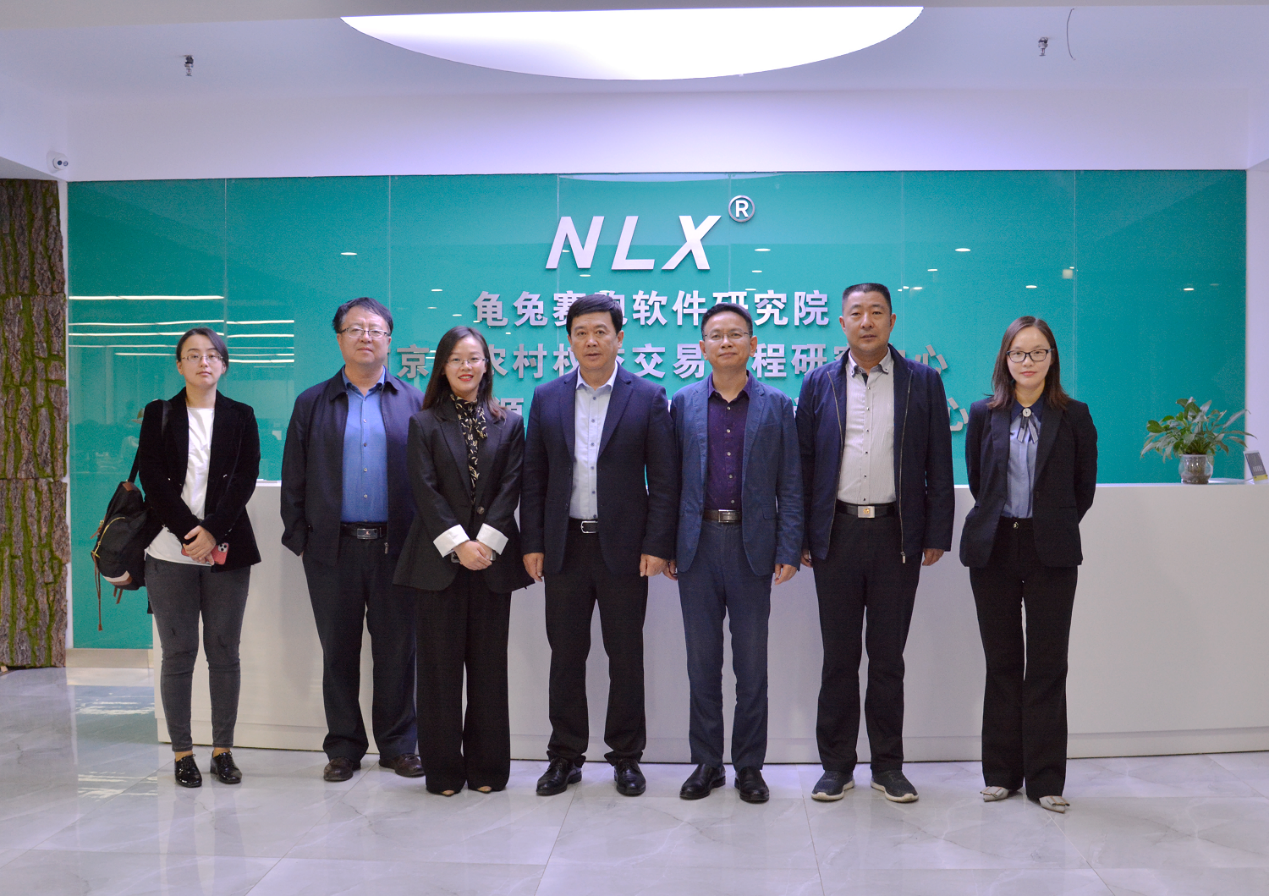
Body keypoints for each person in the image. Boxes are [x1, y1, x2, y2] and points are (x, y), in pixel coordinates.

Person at [796, 282, 954, 803]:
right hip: (836, 534)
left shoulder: (922, 382)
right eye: (857, 313)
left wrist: (936, 533)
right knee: (838, 659)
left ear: (892, 321)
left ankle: (888, 766)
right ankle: (836, 766)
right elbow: (803, 464)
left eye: (877, 312)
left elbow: (938, 461)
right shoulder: (818, 382)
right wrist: (802, 535)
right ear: (842, 322)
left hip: (896, 535)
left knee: (888, 659)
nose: (867, 321)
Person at [521, 293, 679, 797]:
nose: (591, 341)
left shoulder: (648, 397)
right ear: (569, 340)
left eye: (600, 332)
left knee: (625, 656)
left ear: (619, 338)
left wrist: (657, 543)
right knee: (566, 655)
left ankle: (626, 758)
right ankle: (564, 756)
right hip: (564, 546)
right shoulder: (547, 396)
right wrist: (533, 541)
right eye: (581, 333)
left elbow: (665, 480)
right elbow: (534, 476)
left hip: (625, 551)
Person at [281, 297, 425, 782]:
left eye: (375, 329)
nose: (366, 336)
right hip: (332, 550)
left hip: (396, 549)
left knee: (398, 651)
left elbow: (430, 478)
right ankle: (343, 747)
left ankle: (399, 745)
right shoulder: (312, 402)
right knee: (338, 651)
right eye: (355, 328)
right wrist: (302, 538)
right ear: (339, 338)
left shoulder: (414, 401)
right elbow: (294, 476)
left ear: (389, 340)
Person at [665, 302, 802, 804]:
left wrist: (789, 547)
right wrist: (667, 546)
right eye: (716, 335)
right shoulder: (682, 403)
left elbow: (791, 483)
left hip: (752, 548)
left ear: (753, 345)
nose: (726, 342)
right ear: (702, 347)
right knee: (702, 665)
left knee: (751, 667)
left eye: (736, 334)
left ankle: (748, 766)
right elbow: (668, 482)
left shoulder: (776, 405)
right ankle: (707, 763)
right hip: (697, 546)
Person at [960, 316, 1097, 814]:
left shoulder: (1074, 415)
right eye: (1018, 352)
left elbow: (1083, 488)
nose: (1028, 361)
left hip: (1051, 551)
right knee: (1001, 664)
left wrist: (1050, 523)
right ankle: (1001, 774)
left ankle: (1045, 779)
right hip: (994, 548)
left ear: (1052, 358)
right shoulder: (984, 413)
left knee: (1047, 665)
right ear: (1006, 358)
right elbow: (979, 481)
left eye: (1038, 352)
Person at [394, 326, 532, 796]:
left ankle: (488, 770)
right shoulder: (424, 423)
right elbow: (425, 490)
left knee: (489, 672)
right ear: (442, 367)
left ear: (487, 365)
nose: (466, 367)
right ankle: (444, 772)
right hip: (438, 564)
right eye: (456, 359)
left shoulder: (509, 423)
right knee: (439, 673)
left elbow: (511, 487)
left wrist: (485, 543)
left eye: (474, 358)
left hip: (492, 564)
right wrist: (459, 544)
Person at [138, 327, 260, 788]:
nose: (203, 362)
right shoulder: (159, 413)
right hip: (169, 552)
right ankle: (183, 753)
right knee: (178, 653)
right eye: (193, 355)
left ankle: (223, 750)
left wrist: (212, 532)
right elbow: (153, 478)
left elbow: (245, 479)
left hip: (226, 550)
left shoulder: (241, 415)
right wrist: (191, 532)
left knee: (224, 651)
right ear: (179, 365)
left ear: (224, 365)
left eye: (212, 355)